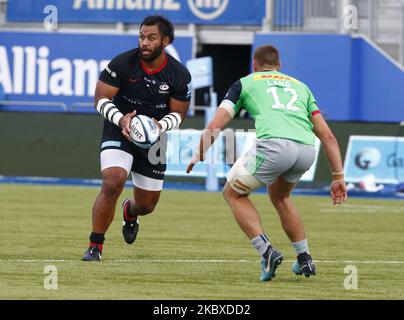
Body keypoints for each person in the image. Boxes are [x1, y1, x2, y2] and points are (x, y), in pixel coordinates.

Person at [187, 45, 347, 281]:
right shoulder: (301, 87)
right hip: (305, 150)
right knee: (281, 197)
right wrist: (338, 178)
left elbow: (215, 126)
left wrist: (199, 153)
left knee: (233, 194)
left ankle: (267, 251)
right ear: (279, 66)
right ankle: (305, 259)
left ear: (254, 65)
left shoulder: (246, 82)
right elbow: (328, 137)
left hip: (274, 147)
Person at [82, 15, 191, 261]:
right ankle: (94, 247)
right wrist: (121, 119)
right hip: (119, 128)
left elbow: (179, 114)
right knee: (113, 182)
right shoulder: (122, 63)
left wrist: (158, 125)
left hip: (155, 138)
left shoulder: (179, 74)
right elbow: (100, 99)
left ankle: (130, 212)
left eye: (151, 38)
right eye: (142, 36)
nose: (144, 42)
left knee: (147, 205)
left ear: (166, 41)